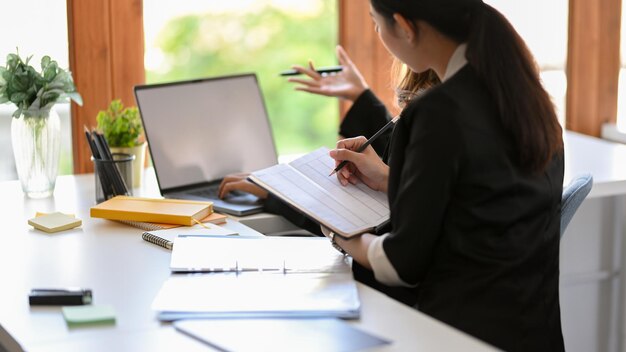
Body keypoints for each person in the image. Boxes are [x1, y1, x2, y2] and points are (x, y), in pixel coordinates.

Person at [326, 0, 565, 351]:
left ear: (405, 27)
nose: (378, 35)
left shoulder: (437, 112)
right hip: (532, 335)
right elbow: (484, 201)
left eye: (377, 24)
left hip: (457, 337)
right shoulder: (528, 100)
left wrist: (341, 232)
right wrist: (391, 181)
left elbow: (400, 265)